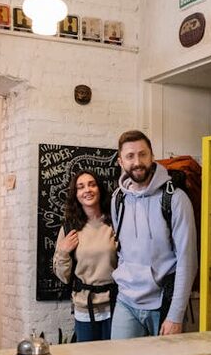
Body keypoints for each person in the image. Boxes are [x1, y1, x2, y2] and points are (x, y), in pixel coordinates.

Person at [109, 130, 197, 338]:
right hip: (125, 301)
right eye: (130, 156)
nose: (137, 161)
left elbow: (187, 261)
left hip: (162, 303)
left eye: (143, 154)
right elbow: (122, 250)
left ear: (152, 156)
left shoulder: (175, 199)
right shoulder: (117, 200)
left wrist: (175, 315)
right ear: (121, 161)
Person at [52, 170, 117, 342]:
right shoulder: (70, 228)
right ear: (76, 195)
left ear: (99, 189)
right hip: (84, 306)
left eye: (92, 184)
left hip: (116, 304)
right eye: (81, 187)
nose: (87, 190)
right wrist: (63, 251)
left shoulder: (115, 222)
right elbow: (63, 277)